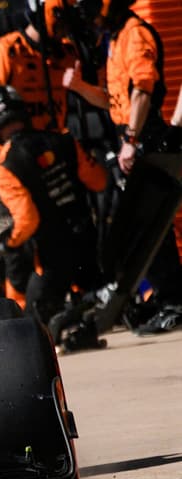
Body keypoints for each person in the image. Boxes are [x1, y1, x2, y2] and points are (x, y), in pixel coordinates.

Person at [63, 0, 182, 333]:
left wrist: (132, 138)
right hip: (129, 138)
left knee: (151, 225)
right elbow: (114, 98)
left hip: (144, 137)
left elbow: (143, 89)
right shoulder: (115, 40)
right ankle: (163, 295)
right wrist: (79, 88)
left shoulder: (135, 34)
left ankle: (174, 300)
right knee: (139, 227)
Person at [0, 85, 107, 350]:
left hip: (50, 257)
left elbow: (26, 219)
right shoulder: (64, 139)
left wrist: (8, 244)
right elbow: (99, 181)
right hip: (87, 244)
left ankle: (67, 324)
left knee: (32, 325)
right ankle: (82, 321)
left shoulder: (0, 165)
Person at [0, 0, 80, 132]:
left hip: (55, 142)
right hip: (19, 146)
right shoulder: (5, 51)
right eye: (62, 18)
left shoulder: (68, 53)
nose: (66, 28)